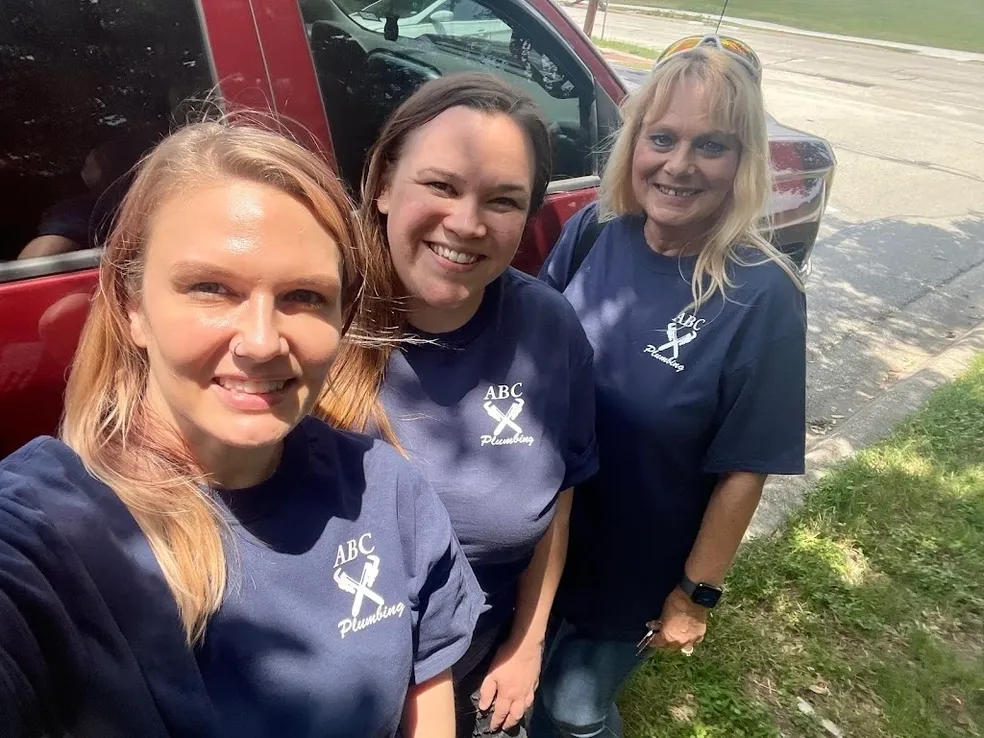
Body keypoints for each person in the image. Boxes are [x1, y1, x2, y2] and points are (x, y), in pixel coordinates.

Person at [0, 118, 482, 738]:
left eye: (304, 296)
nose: (260, 342)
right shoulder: (45, 537)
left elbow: (427, 702)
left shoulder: (385, 492)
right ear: (131, 306)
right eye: (210, 288)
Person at [531, 35, 808, 737]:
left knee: (572, 712)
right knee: (519, 690)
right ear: (634, 143)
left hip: (633, 570)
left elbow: (746, 468)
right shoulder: (595, 230)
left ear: (743, 160)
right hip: (536, 533)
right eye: (662, 138)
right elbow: (530, 351)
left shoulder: (763, 293)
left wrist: (696, 594)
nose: (679, 166)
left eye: (711, 146)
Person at [318, 72, 598, 737]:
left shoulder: (548, 332)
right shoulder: (312, 318)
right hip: (326, 694)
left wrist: (527, 644)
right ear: (384, 182)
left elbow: (560, 496)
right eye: (441, 186)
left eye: (503, 201)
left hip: (475, 670)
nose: (467, 224)